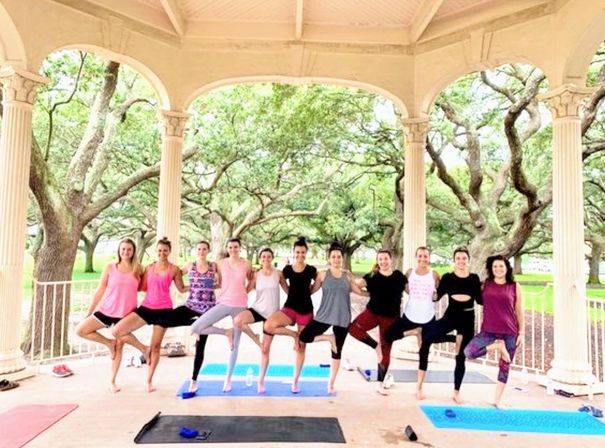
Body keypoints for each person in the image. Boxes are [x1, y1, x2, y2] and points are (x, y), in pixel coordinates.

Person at [112, 237, 187, 392]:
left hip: (164, 311)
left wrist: (201, 286)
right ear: (156, 251)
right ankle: (142, 349)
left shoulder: (174, 269)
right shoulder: (149, 268)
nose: (162, 253)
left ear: (169, 252)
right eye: (159, 250)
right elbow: (141, 287)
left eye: (165, 250)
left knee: (156, 347)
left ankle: (149, 381)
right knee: (117, 331)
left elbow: (181, 288)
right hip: (146, 307)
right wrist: (123, 283)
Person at [75, 238, 146, 393]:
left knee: (120, 346)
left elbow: (142, 288)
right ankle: (109, 343)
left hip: (126, 314)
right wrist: (89, 312)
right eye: (123, 249)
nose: (126, 252)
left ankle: (112, 382)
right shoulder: (110, 268)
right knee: (80, 330)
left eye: (129, 249)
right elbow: (100, 290)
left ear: (133, 251)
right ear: (119, 251)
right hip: (107, 310)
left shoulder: (138, 269)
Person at [416, 246, 482, 403]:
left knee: (461, 357)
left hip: (467, 318)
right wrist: (426, 290)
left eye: (464, 258)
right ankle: (419, 386)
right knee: (427, 338)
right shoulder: (447, 278)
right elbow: (436, 297)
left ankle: (456, 391)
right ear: (454, 260)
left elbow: (480, 300)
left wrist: (487, 288)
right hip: (451, 315)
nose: (461, 261)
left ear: (468, 260)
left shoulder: (474, 278)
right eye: (458, 258)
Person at [299, 242, 366, 393]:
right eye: (333, 257)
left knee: (337, 352)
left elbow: (358, 291)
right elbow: (311, 290)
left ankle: (331, 384)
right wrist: (297, 291)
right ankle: (330, 338)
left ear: (342, 259)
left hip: (342, 318)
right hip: (324, 315)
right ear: (329, 258)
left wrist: (374, 293)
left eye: (339, 257)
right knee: (304, 337)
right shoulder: (322, 274)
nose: (336, 259)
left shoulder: (347, 276)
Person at [190, 237, 252, 392]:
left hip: (240, 306)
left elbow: (252, 280)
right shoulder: (220, 263)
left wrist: (246, 292)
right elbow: (205, 272)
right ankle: (226, 332)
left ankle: (228, 380)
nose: (233, 250)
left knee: (235, 346)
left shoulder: (247, 264)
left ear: (240, 248)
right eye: (230, 247)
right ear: (227, 248)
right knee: (196, 327)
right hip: (223, 302)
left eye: (235, 247)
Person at [464, 255, 524, 409]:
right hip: (489, 331)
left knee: (505, 366)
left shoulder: (515, 286)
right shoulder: (486, 285)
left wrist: (522, 332)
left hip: (510, 331)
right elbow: (468, 287)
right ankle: (497, 346)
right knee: (469, 352)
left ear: (507, 268)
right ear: (491, 269)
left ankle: (497, 399)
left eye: (501, 266)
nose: (498, 269)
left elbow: (519, 311)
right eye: (495, 266)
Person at [160, 240, 217, 393]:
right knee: (168, 319)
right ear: (195, 250)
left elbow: (222, 282)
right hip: (191, 305)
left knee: (200, 348)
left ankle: (194, 380)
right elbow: (174, 273)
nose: (202, 251)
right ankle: (195, 324)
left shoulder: (214, 266)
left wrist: (211, 287)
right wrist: (183, 287)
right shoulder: (189, 265)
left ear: (208, 251)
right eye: (199, 248)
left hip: (208, 310)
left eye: (204, 249)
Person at [348, 249, 407, 395]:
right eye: (380, 259)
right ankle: (375, 346)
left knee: (386, 353)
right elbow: (356, 286)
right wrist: (359, 289)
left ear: (390, 259)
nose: (383, 261)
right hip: (372, 313)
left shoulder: (398, 276)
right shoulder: (372, 276)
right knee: (353, 328)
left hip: (391, 318)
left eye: (385, 259)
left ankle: (380, 384)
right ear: (378, 261)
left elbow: (410, 290)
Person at [263, 237, 317, 393]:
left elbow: (317, 282)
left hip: (306, 310)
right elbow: (282, 282)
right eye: (297, 252)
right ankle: (295, 335)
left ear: (306, 253)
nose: (300, 255)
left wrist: (310, 292)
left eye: (303, 252)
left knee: (301, 348)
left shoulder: (311, 270)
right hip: (290, 308)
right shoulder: (287, 270)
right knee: (269, 325)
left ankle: (295, 382)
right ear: (293, 253)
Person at [385, 247, 441, 348]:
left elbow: (440, 291)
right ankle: (415, 331)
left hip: (427, 317)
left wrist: (436, 296)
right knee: (389, 336)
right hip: (410, 315)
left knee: (424, 350)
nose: (422, 259)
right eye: (420, 256)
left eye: (425, 256)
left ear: (429, 258)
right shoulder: (410, 272)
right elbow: (402, 286)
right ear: (416, 257)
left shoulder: (434, 274)